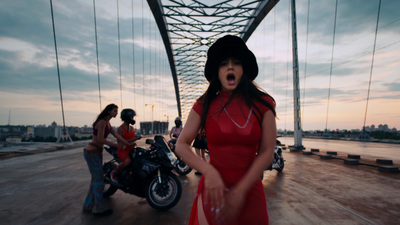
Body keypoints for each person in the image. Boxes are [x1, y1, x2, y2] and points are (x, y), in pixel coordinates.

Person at [175, 35, 277, 225]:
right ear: (217, 71)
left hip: (250, 194)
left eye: (236, 62)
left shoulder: (264, 104)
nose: (230, 67)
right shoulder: (203, 104)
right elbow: (181, 145)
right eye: (224, 64)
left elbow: (267, 153)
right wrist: (208, 171)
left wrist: (240, 191)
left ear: (243, 69)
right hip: (213, 193)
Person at [82, 103, 133, 216]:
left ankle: (88, 205)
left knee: (95, 179)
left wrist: (126, 143)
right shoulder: (102, 122)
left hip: (96, 152)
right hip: (92, 152)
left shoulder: (108, 123)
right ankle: (98, 208)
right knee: (99, 179)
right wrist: (117, 146)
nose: (116, 113)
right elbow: (100, 139)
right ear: (109, 111)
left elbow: (117, 136)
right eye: (114, 111)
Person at [111, 108, 141, 183]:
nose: (133, 119)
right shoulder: (120, 129)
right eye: (131, 117)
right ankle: (115, 171)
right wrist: (132, 141)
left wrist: (136, 138)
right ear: (127, 117)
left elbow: (132, 139)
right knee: (127, 161)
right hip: (123, 150)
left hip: (131, 149)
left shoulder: (132, 128)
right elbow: (120, 143)